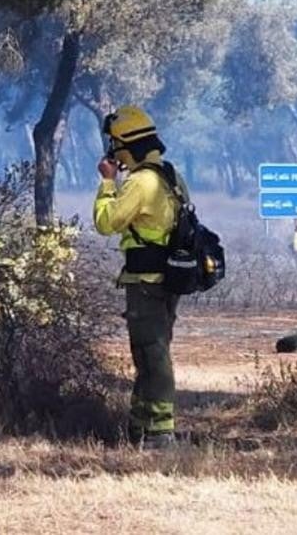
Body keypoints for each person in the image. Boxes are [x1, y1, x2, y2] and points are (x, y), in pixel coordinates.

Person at [93, 106, 186, 451]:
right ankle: (139, 427)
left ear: (125, 146)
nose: (112, 154)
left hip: (145, 281)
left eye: (114, 146)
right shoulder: (171, 176)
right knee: (150, 354)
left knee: (152, 353)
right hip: (170, 279)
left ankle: (161, 433)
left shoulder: (140, 182)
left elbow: (106, 222)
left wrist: (106, 183)